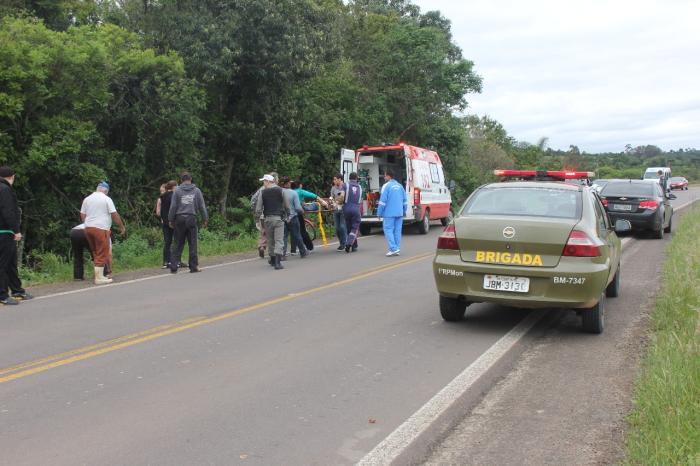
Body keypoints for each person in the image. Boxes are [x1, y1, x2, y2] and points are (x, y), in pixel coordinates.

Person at [80, 181, 126, 285]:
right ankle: (99, 278)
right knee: (102, 252)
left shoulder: (87, 199)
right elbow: (114, 214)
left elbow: (82, 214)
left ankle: (99, 275)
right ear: (105, 190)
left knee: (96, 251)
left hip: (88, 228)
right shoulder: (106, 199)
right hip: (101, 229)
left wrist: (87, 223)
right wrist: (121, 227)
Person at [0, 166, 32, 304]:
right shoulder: (5, 189)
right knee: (3, 263)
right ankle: (2, 295)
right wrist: (16, 230)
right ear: (11, 177)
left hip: (5, 231)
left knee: (11, 263)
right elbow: (8, 211)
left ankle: (17, 290)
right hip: (5, 231)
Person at [168, 172, 208, 274]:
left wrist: (170, 219)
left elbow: (173, 207)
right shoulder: (197, 191)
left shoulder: (177, 191)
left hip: (179, 218)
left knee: (177, 243)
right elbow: (202, 206)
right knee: (192, 243)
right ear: (191, 179)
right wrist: (205, 218)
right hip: (191, 218)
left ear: (181, 180)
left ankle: (173, 266)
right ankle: (193, 266)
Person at [255, 174, 291, 270]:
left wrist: (257, 219)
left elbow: (258, 209)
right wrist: (288, 215)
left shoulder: (262, 193)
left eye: (264, 181)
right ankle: (278, 263)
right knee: (279, 240)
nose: (263, 183)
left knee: (270, 241)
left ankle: (273, 259)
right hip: (279, 219)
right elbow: (287, 205)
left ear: (268, 181)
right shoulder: (281, 190)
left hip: (267, 220)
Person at [377, 168, 408, 256]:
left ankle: (393, 248)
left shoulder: (386, 186)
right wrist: (404, 210)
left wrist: (379, 213)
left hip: (389, 213)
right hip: (399, 212)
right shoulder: (400, 186)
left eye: (385, 175)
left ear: (389, 176)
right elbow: (405, 200)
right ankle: (397, 248)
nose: (384, 177)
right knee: (397, 231)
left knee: (388, 230)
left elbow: (382, 201)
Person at [281, 176, 307, 259]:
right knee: (297, 234)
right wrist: (302, 211)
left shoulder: (279, 192)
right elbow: (298, 208)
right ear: (288, 183)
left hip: (282, 217)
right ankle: (303, 252)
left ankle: (282, 254)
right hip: (293, 217)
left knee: (284, 236)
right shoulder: (293, 193)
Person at [342, 172, 363, 253]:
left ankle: (354, 246)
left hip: (346, 208)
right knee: (354, 228)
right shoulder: (360, 187)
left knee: (349, 227)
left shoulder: (345, 185)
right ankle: (349, 243)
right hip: (356, 209)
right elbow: (360, 201)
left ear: (349, 178)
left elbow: (341, 196)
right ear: (356, 178)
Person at [158, 180, 177, 268]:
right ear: (173, 187)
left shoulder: (162, 196)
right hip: (173, 222)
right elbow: (174, 209)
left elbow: (161, 211)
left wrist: (164, 220)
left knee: (167, 242)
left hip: (165, 222)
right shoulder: (174, 196)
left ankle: (166, 262)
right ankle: (176, 261)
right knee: (176, 241)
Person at [330, 174, 347, 251]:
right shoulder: (333, 188)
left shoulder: (344, 187)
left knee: (342, 227)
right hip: (335, 209)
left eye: (335, 179)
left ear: (340, 179)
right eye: (334, 179)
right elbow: (331, 197)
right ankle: (341, 243)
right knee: (337, 228)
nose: (334, 181)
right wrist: (331, 203)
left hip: (343, 209)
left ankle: (344, 244)